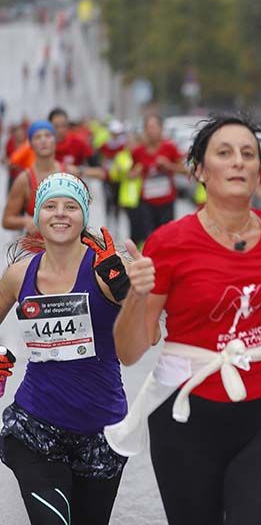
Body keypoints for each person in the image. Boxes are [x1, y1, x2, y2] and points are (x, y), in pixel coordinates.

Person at [108, 114, 261, 525]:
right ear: (200, 170)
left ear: (260, 169)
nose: (238, 162)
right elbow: (130, 351)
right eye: (224, 153)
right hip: (186, 414)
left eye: (248, 154)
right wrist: (137, 296)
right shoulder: (168, 243)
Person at [0, 172, 156, 525]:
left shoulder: (109, 269)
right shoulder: (18, 274)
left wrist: (128, 295)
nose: (60, 213)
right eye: (50, 205)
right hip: (35, 427)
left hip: (101, 432)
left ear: (85, 215)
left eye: (71, 206)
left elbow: (152, 337)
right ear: (39, 214)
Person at [129, 113, 184, 244]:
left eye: (154, 127)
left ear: (161, 128)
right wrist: (136, 172)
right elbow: (130, 175)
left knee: (167, 236)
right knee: (150, 237)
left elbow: (184, 170)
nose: (151, 131)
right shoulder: (138, 151)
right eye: (148, 127)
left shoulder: (170, 148)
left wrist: (168, 165)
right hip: (147, 201)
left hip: (166, 201)